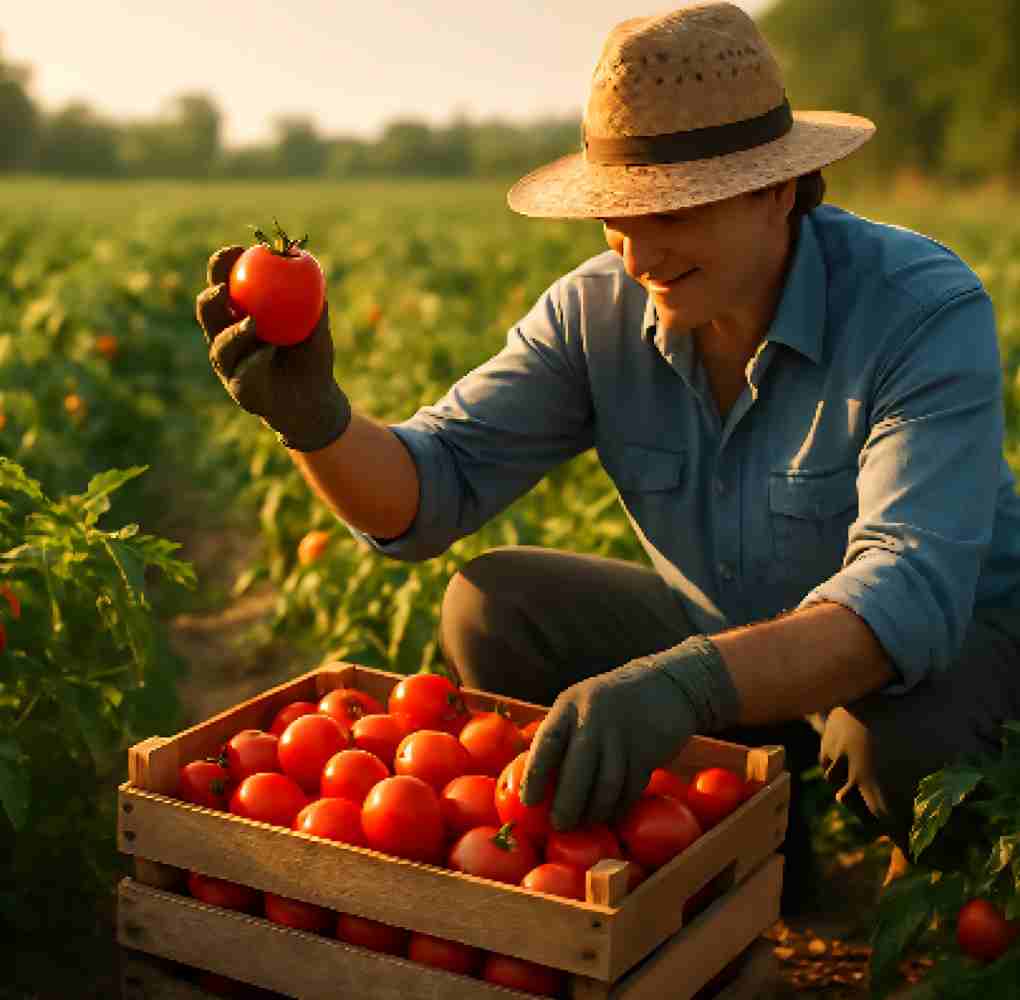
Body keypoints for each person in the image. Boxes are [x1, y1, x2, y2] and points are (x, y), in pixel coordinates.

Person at [196, 1, 1020, 916]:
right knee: (496, 608)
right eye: (617, 216)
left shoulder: (918, 308)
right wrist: (314, 421)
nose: (639, 253)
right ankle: (751, 880)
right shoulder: (596, 313)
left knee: (900, 746)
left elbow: (907, 597)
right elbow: (429, 492)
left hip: (944, 658)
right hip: (735, 639)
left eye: (675, 211)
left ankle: (946, 909)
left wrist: (690, 681)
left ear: (777, 190)